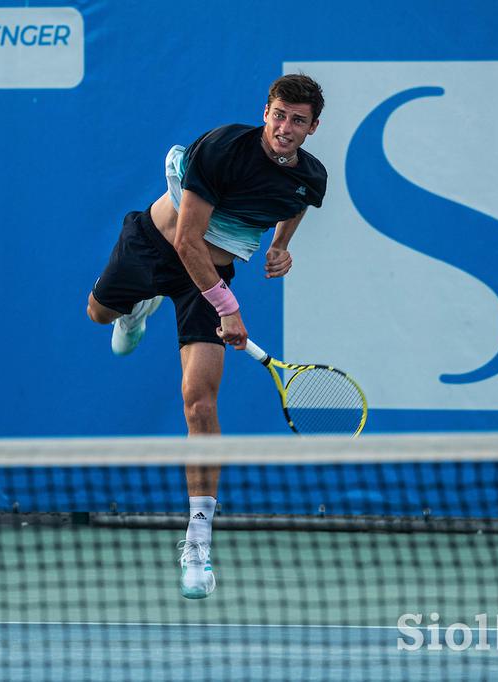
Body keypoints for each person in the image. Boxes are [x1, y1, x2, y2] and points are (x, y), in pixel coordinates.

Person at [87, 74, 327, 599]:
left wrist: (280, 246)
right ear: (266, 111)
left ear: (313, 127)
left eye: (298, 121)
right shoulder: (223, 149)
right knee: (99, 316)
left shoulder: (311, 177)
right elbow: (187, 240)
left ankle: (198, 541)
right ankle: (134, 311)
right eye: (280, 114)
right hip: (158, 245)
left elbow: (294, 203)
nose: (285, 128)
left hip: (210, 282)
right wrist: (230, 308)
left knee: (199, 404)